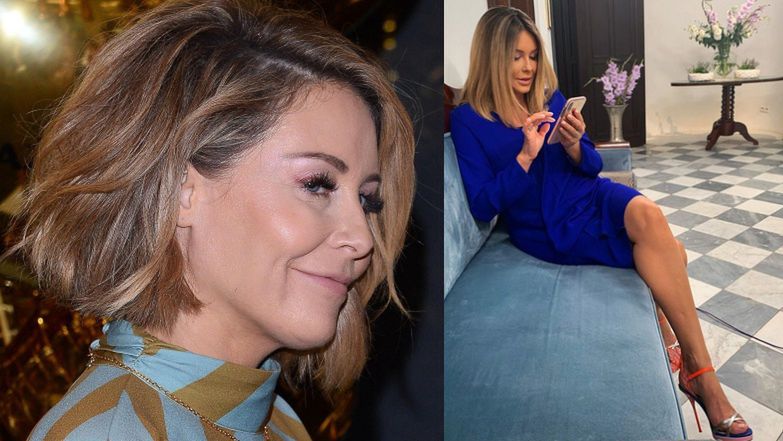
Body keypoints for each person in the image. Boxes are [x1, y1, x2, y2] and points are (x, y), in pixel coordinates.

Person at [10, 0, 414, 439]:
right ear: (182, 191)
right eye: (317, 184)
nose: (363, 239)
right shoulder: (111, 432)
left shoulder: (274, 419)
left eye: (368, 200)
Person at [450, 7, 752, 441]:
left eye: (533, 56)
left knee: (649, 216)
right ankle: (703, 380)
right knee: (672, 254)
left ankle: (698, 370)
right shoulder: (468, 119)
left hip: (590, 195)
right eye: (517, 57)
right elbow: (483, 204)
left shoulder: (550, 97)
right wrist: (525, 155)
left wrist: (575, 145)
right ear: (493, 56)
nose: (528, 67)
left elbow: (591, 166)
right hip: (548, 226)